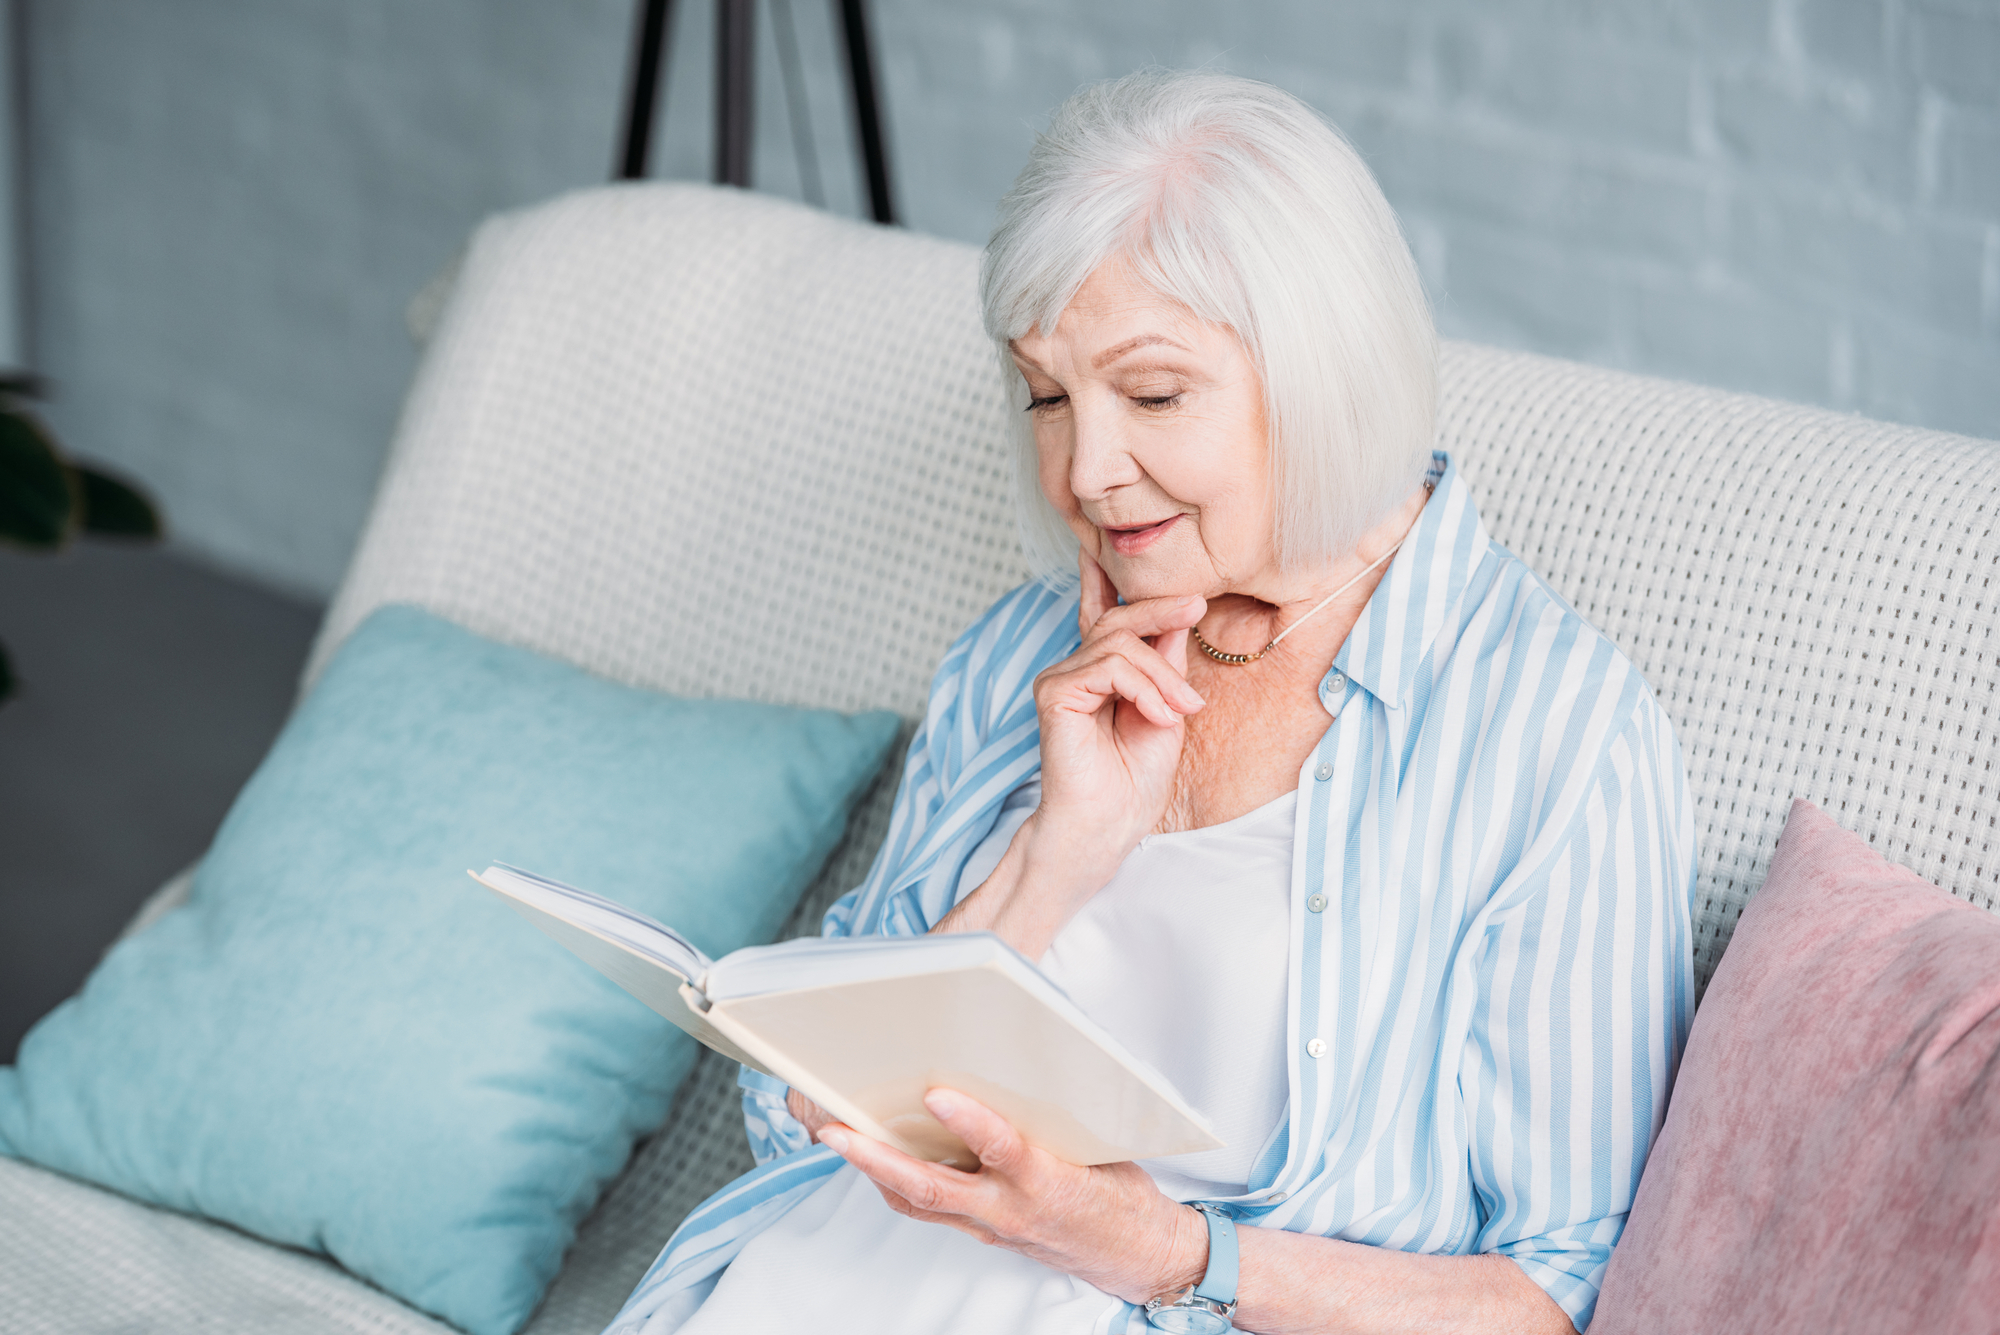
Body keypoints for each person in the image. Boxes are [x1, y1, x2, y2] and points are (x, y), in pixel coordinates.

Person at [608, 68, 1694, 1335]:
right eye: (1048, 397)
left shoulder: (1552, 733)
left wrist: (1167, 1254)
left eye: (1153, 394)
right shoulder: (1020, 655)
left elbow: (1554, 1293)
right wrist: (1054, 857)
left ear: (1320, 370)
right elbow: (792, 1121)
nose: (1086, 471)